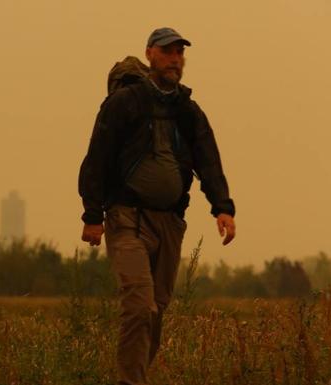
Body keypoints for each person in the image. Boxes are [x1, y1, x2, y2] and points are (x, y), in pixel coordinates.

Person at [78, 27, 236, 385]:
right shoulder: (125, 102)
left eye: (180, 53)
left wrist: (223, 207)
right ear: (150, 54)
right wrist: (92, 215)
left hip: (170, 223)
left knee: (156, 311)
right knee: (139, 305)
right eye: (167, 52)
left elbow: (208, 161)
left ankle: (136, 376)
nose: (175, 59)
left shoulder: (188, 110)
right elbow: (97, 159)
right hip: (126, 219)